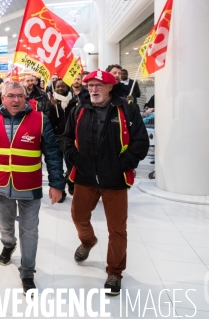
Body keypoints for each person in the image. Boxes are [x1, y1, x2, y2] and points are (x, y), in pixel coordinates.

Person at [0, 82, 65, 293]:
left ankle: (28, 272)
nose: (15, 100)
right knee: (4, 224)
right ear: (2, 99)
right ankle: (8, 243)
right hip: (1, 185)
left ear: (25, 97)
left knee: (30, 230)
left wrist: (57, 184)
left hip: (30, 187)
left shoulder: (40, 120)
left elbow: (52, 154)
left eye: (19, 95)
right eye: (10, 96)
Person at [63, 70, 149, 296]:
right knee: (79, 217)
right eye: (90, 85)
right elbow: (67, 138)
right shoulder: (79, 109)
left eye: (99, 85)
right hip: (84, 177)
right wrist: (75, 159)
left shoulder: (127, 110)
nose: (93, 89)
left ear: (111, 87)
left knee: (117, 230)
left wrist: (122, 164)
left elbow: (140, 142)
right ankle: (88, 241)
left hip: (115, 180)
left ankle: (115, 272)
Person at [48, 79, 73, 203]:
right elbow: (49, 122)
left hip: (70, 139)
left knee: (71, 165)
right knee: (57, 167)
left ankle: (71, 184)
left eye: (63, 86)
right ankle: (60, 192)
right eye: (58, 86)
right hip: (56, 138)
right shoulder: (51, 102)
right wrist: (52, 107)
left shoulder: (73, 101)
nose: (60, 88)